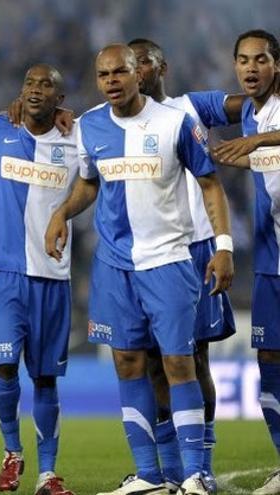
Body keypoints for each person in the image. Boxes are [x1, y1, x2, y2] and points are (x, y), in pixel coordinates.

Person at [45, 44, 233, 495]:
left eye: (119, 72)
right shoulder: (89, 126)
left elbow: (209, 184)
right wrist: (60, 213)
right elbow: (89, 183)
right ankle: (150, 475)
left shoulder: (174, 122)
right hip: (114, 265)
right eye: (103, 74)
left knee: (177, 362)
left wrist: (224, 246)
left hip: (168, 259)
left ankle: (194, 473)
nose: (111, 81)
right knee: (128, 362)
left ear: (137, 75)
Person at [0, 64, 78, 495]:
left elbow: (106, 151)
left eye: (46, 85)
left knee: (44, 378)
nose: (36, 90)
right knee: (5, 363)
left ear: (60, 99)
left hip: (52, 276)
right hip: (4, 275)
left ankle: (48, 473)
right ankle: (12, 452)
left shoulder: (75, 136)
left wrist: (73, 116)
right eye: (29, 84)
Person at [127, 37, 239, 493]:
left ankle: (202, 466)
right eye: (128, 67)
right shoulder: (117, 121)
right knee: (154, 361)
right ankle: (171, 470)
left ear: (161, 66)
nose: (136, 74)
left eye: (144, 65)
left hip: (195, 248)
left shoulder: (190, 107)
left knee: (194, 358)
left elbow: (245, 101)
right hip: (144, 255)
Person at [210, 29, 280, 495]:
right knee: (269, 358)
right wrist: (222, 156)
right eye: (243, 60)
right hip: (272, 258)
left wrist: (257, 143)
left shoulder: (266, 121)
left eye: (260, 59)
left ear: (277, 64)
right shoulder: (252, 114)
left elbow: (267, 147)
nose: (250, 68)